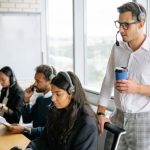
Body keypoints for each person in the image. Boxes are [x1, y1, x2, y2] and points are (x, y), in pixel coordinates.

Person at [97, 2, 150, 150]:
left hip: (144, 121)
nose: (121, 29)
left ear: (141, 23)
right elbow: (108, 80)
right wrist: (101, 112)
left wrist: (138, 88)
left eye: (126, 25)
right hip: (118, 117)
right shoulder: (118, 48)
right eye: (119, 24)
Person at [27, 71, 98, 150]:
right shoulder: (55, 111)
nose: (53, 99)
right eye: (52, 93)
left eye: (58, 94)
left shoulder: (87, 123)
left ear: (72, 93)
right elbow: (44, 140)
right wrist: (31, 148)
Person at [7, 64, 57, 140]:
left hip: (43, 143)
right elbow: (27, 119)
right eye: (35, 80)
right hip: (34, 139)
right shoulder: (40, 99)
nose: (35, 84)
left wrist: (23, 129)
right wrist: (26, 100)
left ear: (50, 81)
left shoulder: (56, 102)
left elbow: (49, 130)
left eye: (38, 81)